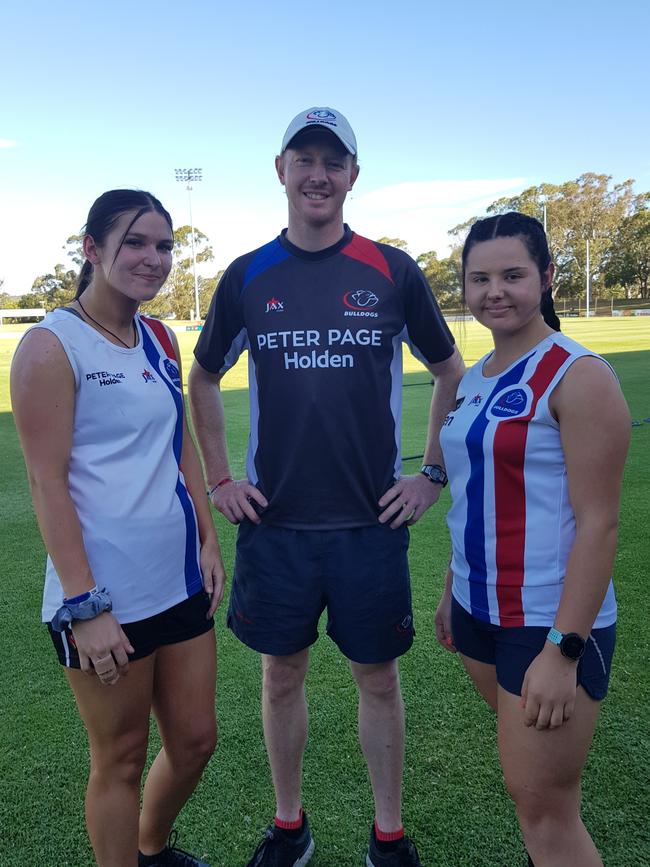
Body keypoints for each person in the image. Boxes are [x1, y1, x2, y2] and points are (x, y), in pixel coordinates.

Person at [189, 107, 465, 867]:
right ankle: (290, 826)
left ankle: (388, 833)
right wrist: (218, 477)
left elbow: (450, 371)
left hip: (369, 525)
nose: (318, 173)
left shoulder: (391, 270)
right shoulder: (247, 275)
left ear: (352, 175)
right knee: (281, 675)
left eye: (333, 161)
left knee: (377, 679)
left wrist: (430, 473)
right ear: (280, 168)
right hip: (275, 527)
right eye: (304, 158)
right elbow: (204, 376)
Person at [10, 189, 226, 867]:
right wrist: (85, 605)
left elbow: (181, 443)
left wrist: (209, 536)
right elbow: (47, 484)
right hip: (103, 596)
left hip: (177, 579)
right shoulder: (51, 345)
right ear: (93, 249)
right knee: (121, 758)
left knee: (195, 740)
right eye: (136, 242)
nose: (154, 258)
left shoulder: (160, 337)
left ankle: (151, 847)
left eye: (164, 246)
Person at [434, 212, 630, 867]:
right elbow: (472, 493)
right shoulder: (474, 377)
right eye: (480, 277)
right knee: (532, 791)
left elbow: (599, 523)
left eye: (513, 274)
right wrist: (449, 590)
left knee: (544, 805)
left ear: (546, 277)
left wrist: (564, 650)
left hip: (546, 622)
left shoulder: (580, 375)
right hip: (476, 612)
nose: (496, 290)